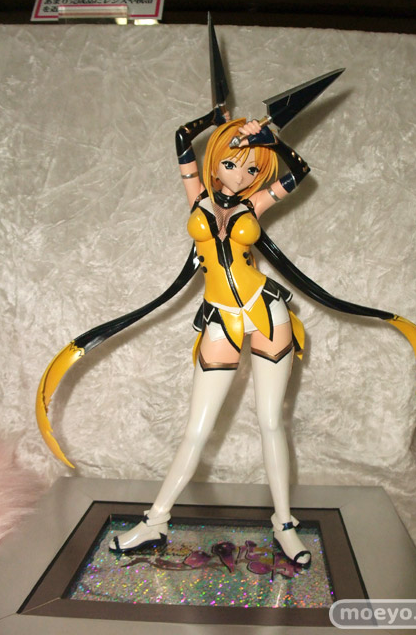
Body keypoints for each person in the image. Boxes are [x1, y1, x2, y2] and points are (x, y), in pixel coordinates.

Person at [109, 110, 313, 568]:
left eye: (252, 169)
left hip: (267, 313)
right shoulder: (197, 195)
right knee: (197, 429)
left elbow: (300, 171)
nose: (241, 175)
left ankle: (284, 524)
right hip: (220, 318)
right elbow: (182, 137)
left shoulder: (255, 203)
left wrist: (270, 141)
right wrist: (216, 117)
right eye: (232, 163)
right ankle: (155, 520)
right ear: (216, 159)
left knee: (270, 422)